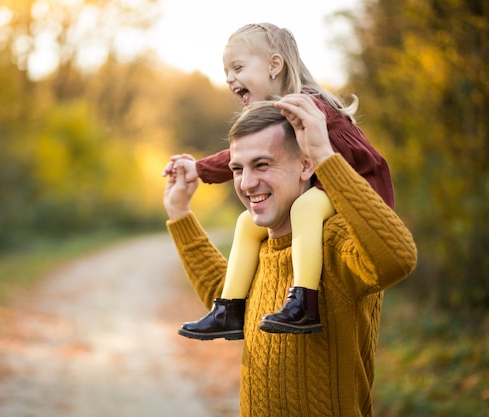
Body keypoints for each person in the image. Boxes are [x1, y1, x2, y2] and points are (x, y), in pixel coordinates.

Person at [163, 96, 417, 416]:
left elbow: (398, 258)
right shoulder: (258, 243)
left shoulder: (336, 241)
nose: (246, 183)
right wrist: (180, 213)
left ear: (306, 165)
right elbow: (225, 297)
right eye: (238, 169)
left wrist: (326, 156)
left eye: (263, 164)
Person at [164, 23, 395, 339]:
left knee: (304, 208)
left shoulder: (305, 105)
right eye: (226, 71)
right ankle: (229, 309)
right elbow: (245, 154)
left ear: (274, 65)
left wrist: (201, 168)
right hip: (327, 187)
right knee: (247, 222)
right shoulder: (281, 111)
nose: (230, 78)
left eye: (238, 67)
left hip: (358, 189)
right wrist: (199, 169)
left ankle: (303, 302)